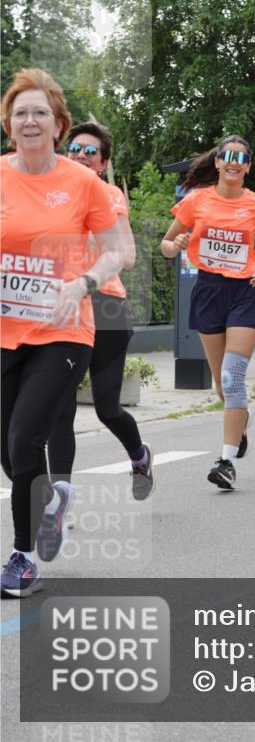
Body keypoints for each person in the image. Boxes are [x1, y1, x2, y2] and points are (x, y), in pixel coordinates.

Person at [1, 69, 124, 597]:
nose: (29, 121)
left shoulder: (83, 183)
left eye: (40, 113)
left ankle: (23, 558)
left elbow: (119, 250)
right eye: (20, 113)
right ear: (9, 124)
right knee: (9, 451)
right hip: (6, 330)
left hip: (63, 331)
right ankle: (50, 500)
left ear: (58, 125)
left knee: (26, 437)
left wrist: (84, 282)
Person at [160, 136, 255, 492]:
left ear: (248, 166)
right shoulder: (196, 200)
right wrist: (175, 245)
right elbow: (166, 245)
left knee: (232, 376)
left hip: (245, 291)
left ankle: (226, 462)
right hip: (209, 290)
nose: (233, 162)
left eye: (241, 158)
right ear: (217, 162)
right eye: (227, 156)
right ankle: (239, 420)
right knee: (221, 384)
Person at [46, 123, 154, 503]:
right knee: (60, 408)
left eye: (91, 151)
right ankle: (60, 500)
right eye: (75, 148)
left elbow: (128, 256)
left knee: (107, 409)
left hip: (106, 308)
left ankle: (139, 457)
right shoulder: (51, 195)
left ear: (103, 163)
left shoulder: (109, 195)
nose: (81, 155)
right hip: (66, 309)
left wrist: (90, 227)